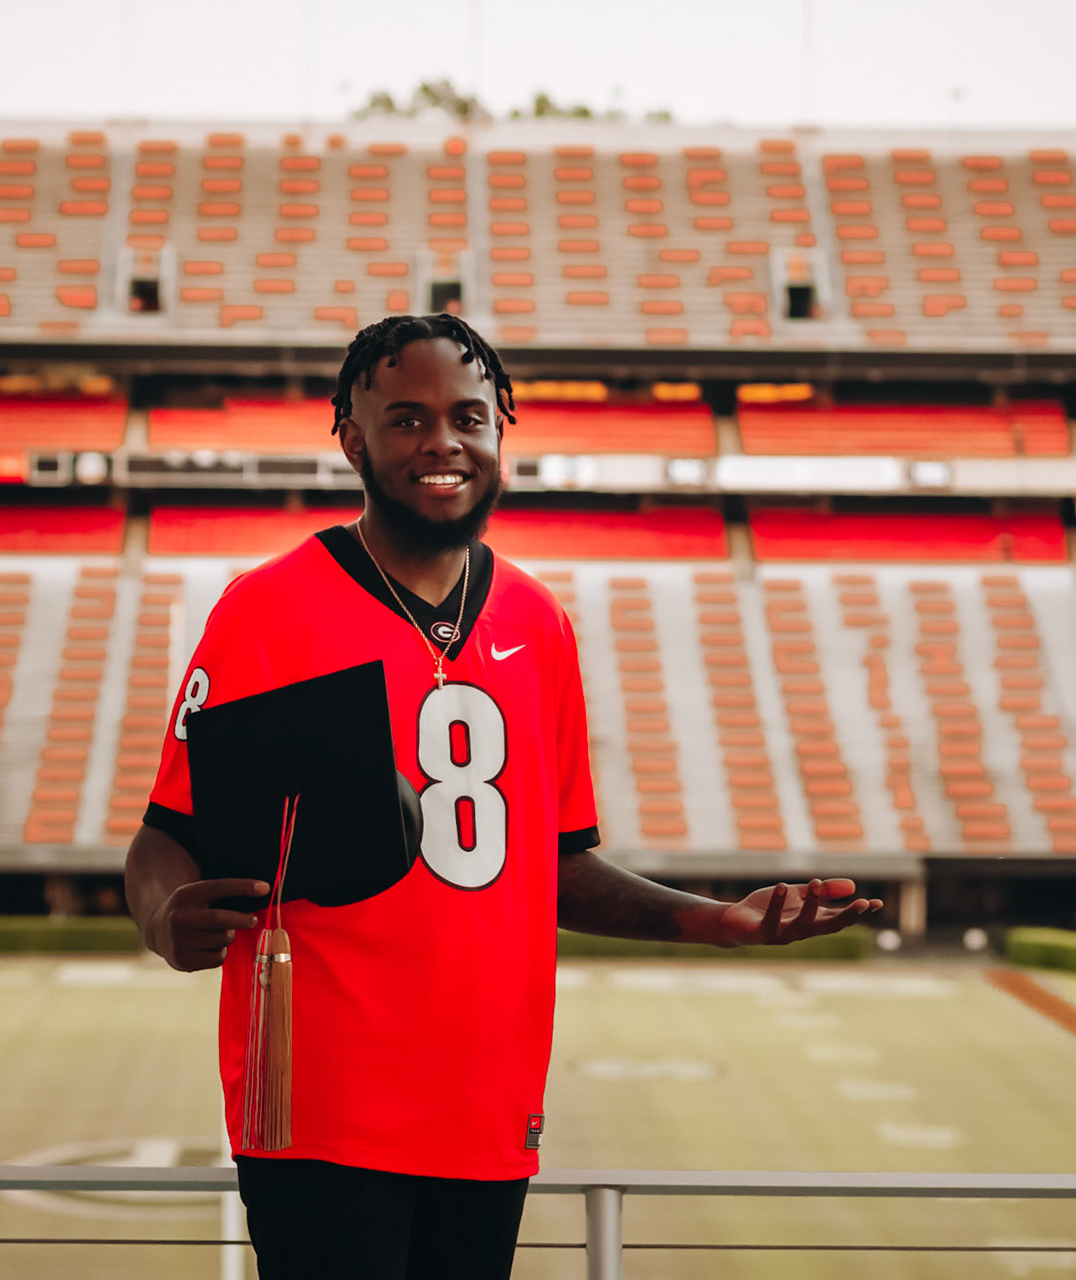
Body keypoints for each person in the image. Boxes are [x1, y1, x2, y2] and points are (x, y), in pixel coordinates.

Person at [124, 314, 882, 1280]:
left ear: (498, 433)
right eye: (406, 419)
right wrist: (165, 916)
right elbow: (164, 838)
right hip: (322, 1102)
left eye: (468, 418)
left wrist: (715, 922)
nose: (442, 442)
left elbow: (553, 865)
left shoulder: (537, 618)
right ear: (352, 440)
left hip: (487, 1104)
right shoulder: (269, 608)